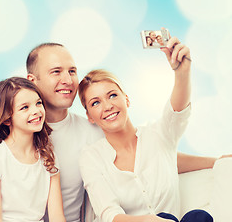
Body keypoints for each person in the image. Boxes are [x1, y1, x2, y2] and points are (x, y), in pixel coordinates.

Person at [0, 42, 222, 222]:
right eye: (56, 72)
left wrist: (217, 162)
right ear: (32, 80)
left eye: (72, 71)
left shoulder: (93, 131)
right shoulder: (3, 139)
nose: (68, 79)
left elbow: (153, 155)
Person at [78, 37, 213, 221]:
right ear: (89, 116)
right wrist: (152, 220)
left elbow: (177, 112)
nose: (107, 106)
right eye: (95, 103)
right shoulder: (91, 157)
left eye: (112, 95)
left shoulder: (159, 135)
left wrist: (182, 72)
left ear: (126, 99)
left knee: (198, 217)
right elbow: (109, 214)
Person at [0, 77, 65, 222]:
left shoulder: (49, 157)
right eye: (25, 107)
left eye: (38, 103)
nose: (36, 111)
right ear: (6, 119)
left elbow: (57, 216)